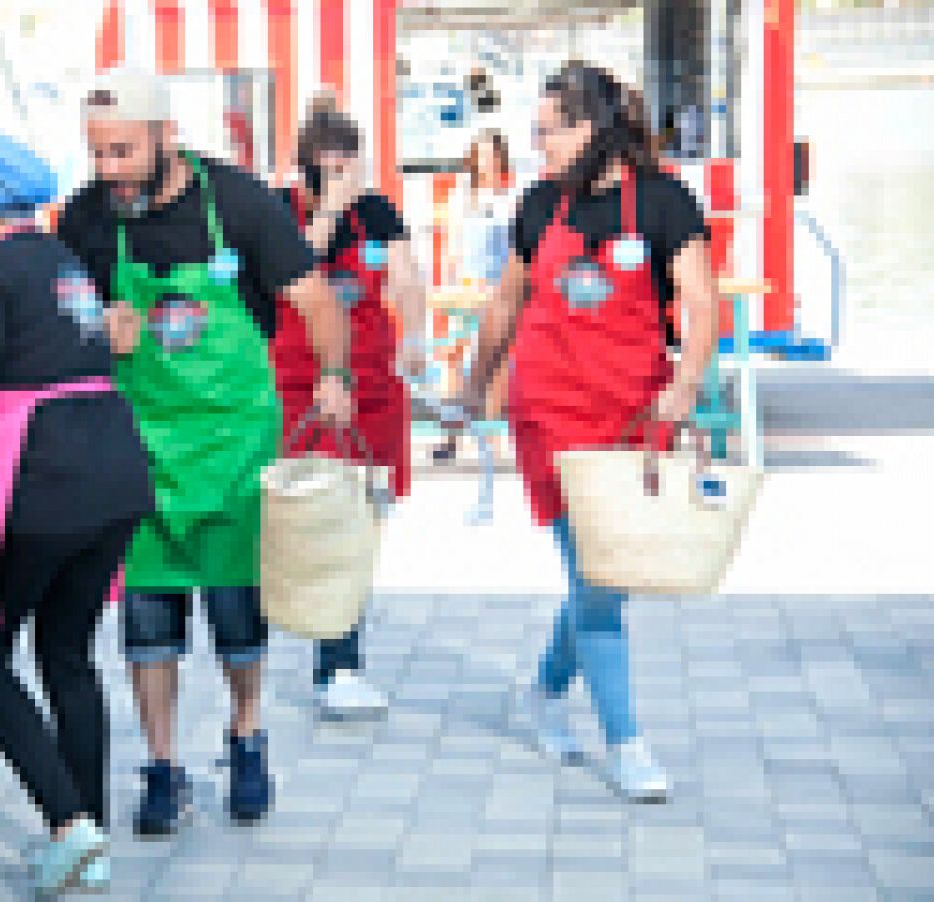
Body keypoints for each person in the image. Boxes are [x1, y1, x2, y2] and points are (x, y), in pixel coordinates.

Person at [55, 69, 351, 836]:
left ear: (165, 136)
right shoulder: (87, 219)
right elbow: (66, 318)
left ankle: (246, 737)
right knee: (149, 618)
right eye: (98, 154)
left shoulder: (242, 204)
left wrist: (334, 375)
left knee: (236, 613)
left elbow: (314, 300)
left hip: (232, 446)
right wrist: (96, 328)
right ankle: (162, 767)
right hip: (140, 445)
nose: (109, 170)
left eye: (122, 151)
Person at [459, 62, 719, 802]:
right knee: (598, 576)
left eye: (546, 133)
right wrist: (475, 387)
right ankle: (627, 742)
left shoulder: (666, 203)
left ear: (590, 130)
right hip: (550, 414)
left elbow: (702, 307)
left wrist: (685, 383)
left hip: (635, 415)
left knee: (612, 575)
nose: (535, 146)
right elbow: (504, 307)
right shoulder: (538, 204)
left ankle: (543, 691)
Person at [0, 131, 151, 894]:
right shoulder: (60, 262)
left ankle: (67, 823)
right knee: (66, 654)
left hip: (39, 477)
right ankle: (89, 834)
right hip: (112, 472)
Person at [274, 95, 426, 719]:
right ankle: (315, 641)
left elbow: (407, 277)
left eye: (348, 166)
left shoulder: (378, 211)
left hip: (371, 388)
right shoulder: (278, 210)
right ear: (302, 166)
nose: (339, 179)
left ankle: (340, 660)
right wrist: (325, 215)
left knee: (361, 520)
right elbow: (292, 270)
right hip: (302, 382)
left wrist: (415, 338)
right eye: (325, 168)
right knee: (313, 517)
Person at [435, 128, 518, 462]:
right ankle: (450, 434)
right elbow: (453, 248)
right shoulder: (461, 196)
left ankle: (490, 433)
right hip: (465, 286)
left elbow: (514, 249)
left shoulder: (509, 198)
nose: (486, 162)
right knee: (452, 358)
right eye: (481, 154)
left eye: (492, 155)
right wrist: (447, 282)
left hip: (498, 288)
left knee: (497, 361)